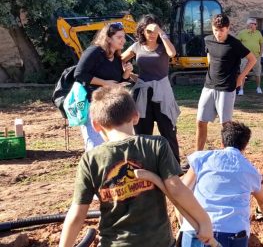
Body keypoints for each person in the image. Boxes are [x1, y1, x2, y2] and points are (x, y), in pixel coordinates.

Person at [58, 86, 214, 247]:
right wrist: (204, 221)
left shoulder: (90, 160)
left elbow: (77, 214)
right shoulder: (156, 145)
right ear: (136, 116)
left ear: (95, 125)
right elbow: (176, 189)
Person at [180, 121, 263, 247]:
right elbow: (262, 200)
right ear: (245, 146)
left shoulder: (202, 159)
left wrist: (183, 223)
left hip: (195, 230)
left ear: (222, 143)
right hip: (231, 234)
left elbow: (181, 191)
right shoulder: (250, 170)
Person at [122, 15, 181, 163]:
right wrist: (129, 74)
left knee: (168, 131)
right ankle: (143, 165)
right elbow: (119, 60)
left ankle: (174, 165)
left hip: (162, 92)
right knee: (142, 132)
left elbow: (172, 53)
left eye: (155, 30)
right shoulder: (137, 46)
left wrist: (161, 33)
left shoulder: (163, 45)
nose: (152, 34)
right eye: (149, 30)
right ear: (142, 31)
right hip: (142, 94)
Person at [196, 14, 256, 151]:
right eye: (215, 30)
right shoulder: (208, 40)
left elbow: (252, 59)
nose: (218, 34)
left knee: (226, 127)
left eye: (221, 30)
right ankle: (197, 156)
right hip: (209, 86)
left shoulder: (234, 44)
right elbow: (209, 56)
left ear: (228, 29)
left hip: (226, 89)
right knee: (200, 121)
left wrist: (240, 77)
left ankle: (226, 155)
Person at [74, 22, 133, 150]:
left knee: (110, 144)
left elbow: (117, 81)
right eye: (119, 37)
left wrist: (126, 74)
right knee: (95, 145)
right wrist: (105, 83)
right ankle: (94, 169)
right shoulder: (94, 51)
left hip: (110, 106)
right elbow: (79, 74)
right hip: (93, 104)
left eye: (124, 37)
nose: (123, 40)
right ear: (108, 38)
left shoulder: (117, 57)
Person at [237, 18, 263, 95]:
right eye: (254, 24)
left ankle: (258, 88)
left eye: (255, 24)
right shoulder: (242, 33)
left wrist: (260, 55)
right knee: (243, 73)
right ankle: (241, 89)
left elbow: (261, 45)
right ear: (249, 24)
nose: (255, 25)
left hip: (256, 57)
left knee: (257, 73)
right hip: (245, 57)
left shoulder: (258, 33)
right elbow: (237, 45)